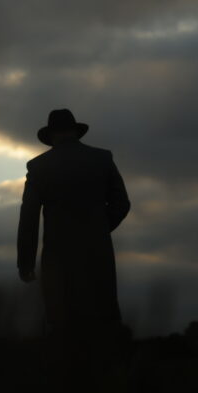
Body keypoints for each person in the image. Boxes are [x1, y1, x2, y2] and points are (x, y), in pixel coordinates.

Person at [17, 108, 131, 334]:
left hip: (58, 259)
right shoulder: (102, 158)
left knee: (63, 327)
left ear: (51, 136)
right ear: (75, 133)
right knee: (102, 324)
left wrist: (26, 263)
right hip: (98, 256)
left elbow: (28, 218)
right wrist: (98, 229)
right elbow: (122, 203)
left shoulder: (38, 167)